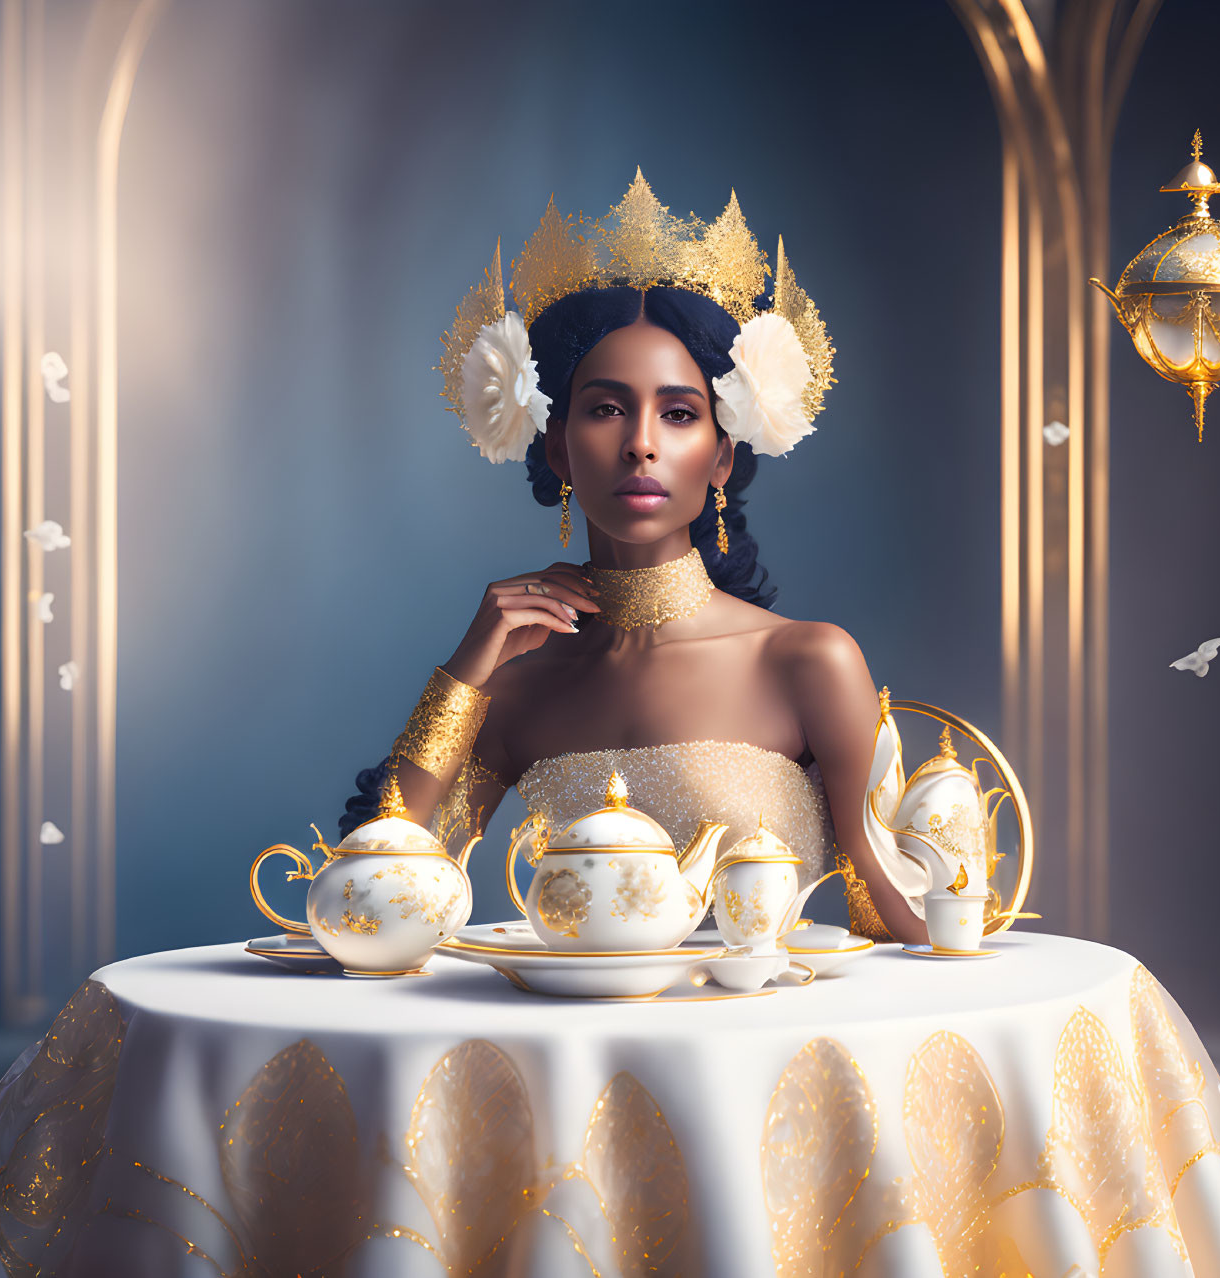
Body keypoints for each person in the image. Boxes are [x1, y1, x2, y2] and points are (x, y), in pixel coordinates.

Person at [341, 171, 925, 945]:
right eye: (606, 409)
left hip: (753, 1044)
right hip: (567, 1046)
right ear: (557, 446)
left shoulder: (804, 660)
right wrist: (465, 675)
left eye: (678, 414)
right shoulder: (515, 695)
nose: (640, 442)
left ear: (720, 458)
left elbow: (896, 913)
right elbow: (374, 892)